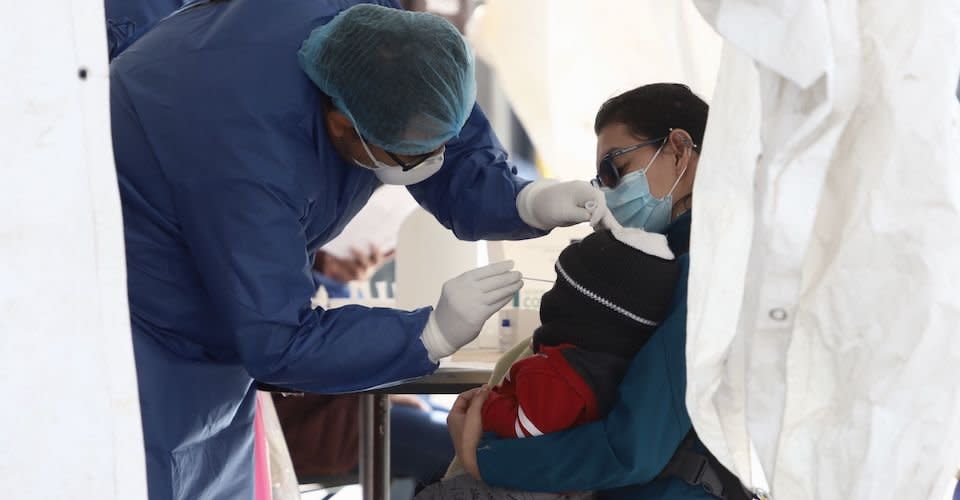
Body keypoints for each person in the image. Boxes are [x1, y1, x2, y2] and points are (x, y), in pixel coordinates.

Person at [109, 1, 608, 498]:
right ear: (341, 126)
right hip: (146, 325)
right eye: (412, 157)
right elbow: (278, 341)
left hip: (216, 303)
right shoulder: (246, 159)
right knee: (145, 473)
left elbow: (437, 128)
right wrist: (429, 334)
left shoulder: (381, 41)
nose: (437, 164)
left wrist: (527, 200)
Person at [442, 83, 756, 499]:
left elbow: (633, 449)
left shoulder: (715, 266)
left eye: (615, 170)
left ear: (679, 149)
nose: (607, 193)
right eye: (600, 180)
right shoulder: (672, 260)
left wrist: (485, 459)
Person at [416, 226, 680, 500]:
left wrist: (484, 407)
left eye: (559, 285)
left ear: (577, 304)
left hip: (529, 479)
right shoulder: (607, 366)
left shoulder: (558, 373)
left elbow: (528, 428)